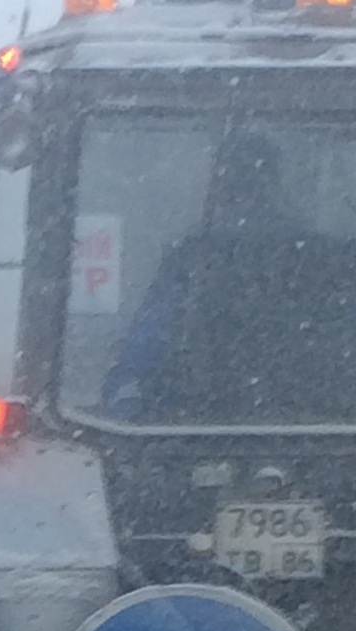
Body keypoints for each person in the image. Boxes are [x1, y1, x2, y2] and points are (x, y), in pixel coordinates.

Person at [102, 129, 304, 420]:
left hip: (196, 425)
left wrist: (128, 403)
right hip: (295, 425)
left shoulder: (192, 256)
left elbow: (145, 346)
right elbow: (145, 346)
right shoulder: (322, 257)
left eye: (244, 184)